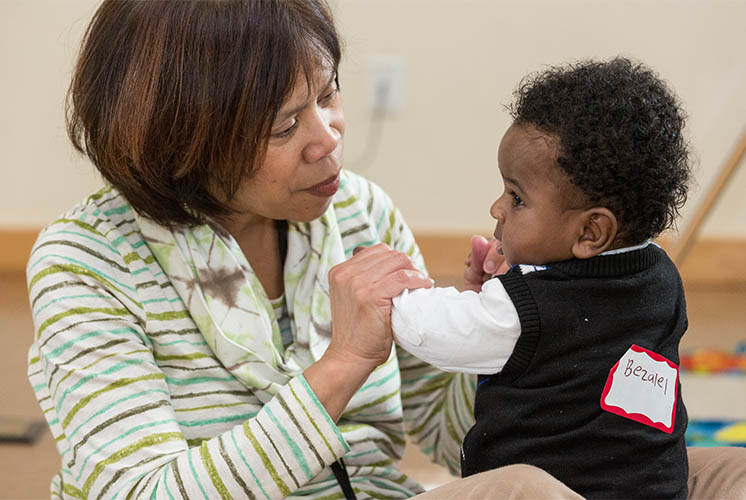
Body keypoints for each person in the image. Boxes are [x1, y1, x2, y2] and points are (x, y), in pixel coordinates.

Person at [25, 0, 746, 498]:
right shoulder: (86, 263)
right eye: (286, 126)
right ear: (185, 140)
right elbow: (147, 492)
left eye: (328, 95)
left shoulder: (361, 212)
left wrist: (511, 336)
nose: (328, 135)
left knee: (719, 473)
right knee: (527, 493)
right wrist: (341, 367)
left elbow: (452, 431)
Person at [391, 58, 740, 499]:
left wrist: (396, 295)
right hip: (652, 489)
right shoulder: (663, 277)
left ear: (591, 232)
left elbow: (437, 332)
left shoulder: (527, 309)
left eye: (516, 198)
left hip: (553, 488)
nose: (497, 209)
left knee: (520, 486)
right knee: (736, 467)